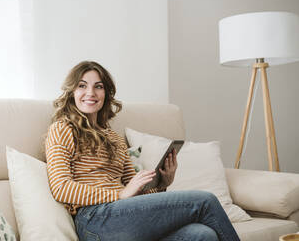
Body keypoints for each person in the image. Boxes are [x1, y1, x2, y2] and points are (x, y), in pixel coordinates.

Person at [45, 61, 240, 241]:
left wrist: (163, 183)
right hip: (95, 220)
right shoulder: (62, 129)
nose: (91, 92)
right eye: (82, 85)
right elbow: (61, 187)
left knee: (202, 235)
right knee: (205, 201)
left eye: (98, 86)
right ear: (71, 92)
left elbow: (134, 191)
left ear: (106, 93)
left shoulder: (114, 138)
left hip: (122, 215)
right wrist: (119, 195)